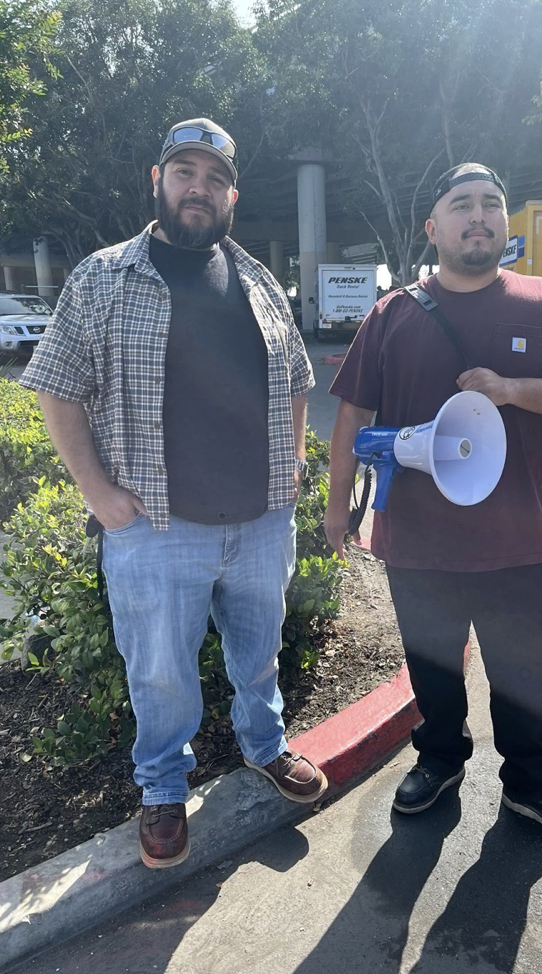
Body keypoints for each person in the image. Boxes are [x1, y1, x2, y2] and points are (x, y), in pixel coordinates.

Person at [20, 118, 327, 869]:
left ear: (232, 196)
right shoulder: (102, 277)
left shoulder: (258, 280)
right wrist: (97, 492)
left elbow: (296, 378)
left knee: (259, 652)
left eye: (216, 178)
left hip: (261, 520)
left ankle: (266, 747)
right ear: (158, 180)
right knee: (160, 670)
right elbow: (57, 387)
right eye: (185, 172)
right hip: (156, 526)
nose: (200, 188)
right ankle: (162, 787)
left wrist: (292, 460)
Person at [324, 163, 542, 847]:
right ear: (433, 227)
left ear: (504, 222)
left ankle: (531, 783)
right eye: (461, 205)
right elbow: (352, 415)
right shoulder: (392, 313)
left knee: (524, 674)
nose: (477, 216)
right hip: (417, 539)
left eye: (490, 204)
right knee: (433, 669)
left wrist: (511, 390)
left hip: (516, 537)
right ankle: (439, 760)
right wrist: (338, 509)